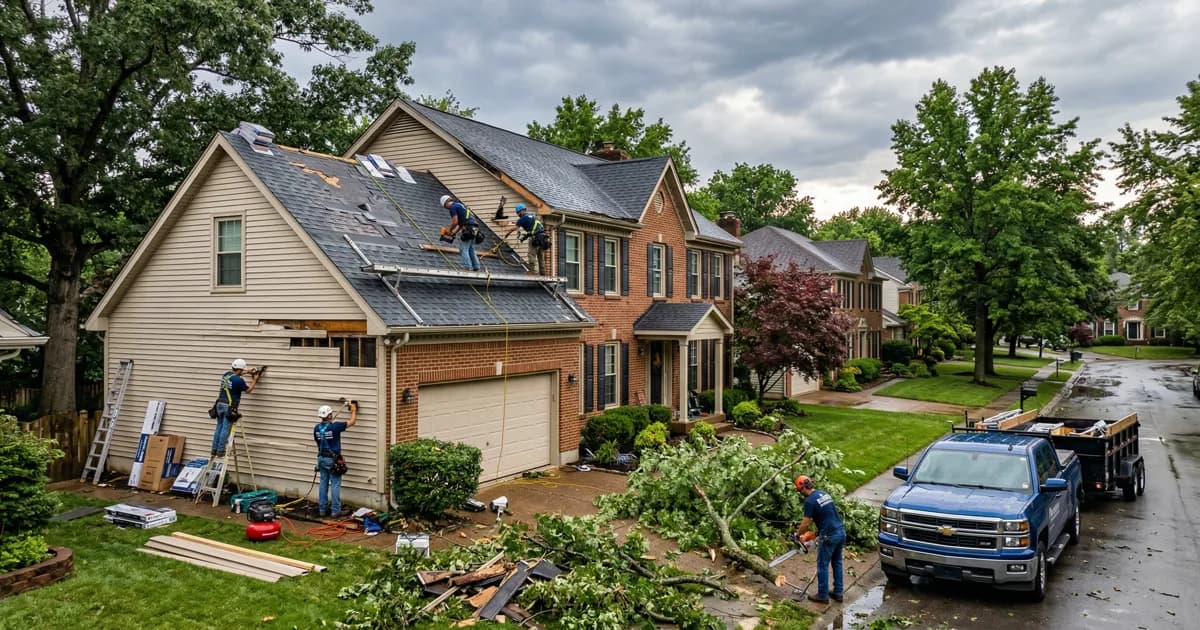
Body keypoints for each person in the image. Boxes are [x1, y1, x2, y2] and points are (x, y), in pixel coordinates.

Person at [794, 475, 846, 604]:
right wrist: (816, 533)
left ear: (802, 488)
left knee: (822, 565)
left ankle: (823, 595)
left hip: (829, 536)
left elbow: (805, 523)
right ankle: (838, 593)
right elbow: (827, 515)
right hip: (840, 531)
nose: (801, 494)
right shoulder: (823, 494)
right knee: (837, 562)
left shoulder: (809, 501)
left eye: (800, 491)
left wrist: (797, 535)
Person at [313, 400, 357, 518]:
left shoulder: (316, 428)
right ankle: (335, 511)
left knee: (323, 483)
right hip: (332, 460)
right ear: (329, 415)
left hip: (321, 458)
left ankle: (322, 510)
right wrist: (353, 410)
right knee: (335, 484)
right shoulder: (335, 427)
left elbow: (318, 442)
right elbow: (352, 422)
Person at [211, 359, 262, 457]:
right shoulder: (239, 380)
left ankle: (214, 449)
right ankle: (221, 450)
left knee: (219, 427)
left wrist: (248, 371)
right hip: (228, 407)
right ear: (240, 369)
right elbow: (248, 390)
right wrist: (255, 380)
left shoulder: (226, 375)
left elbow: (236, 375)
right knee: (225, 428)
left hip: (219, 404)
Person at [502, 203, 549, 275]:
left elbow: (515, 228)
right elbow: (533, 230)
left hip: (535, 239)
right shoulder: (531, 216)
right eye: (517, 213)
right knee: (541, 258)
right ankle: (543, 275)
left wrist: (506, 233)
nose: (518, 214)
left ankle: (532, 272)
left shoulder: (522, 218)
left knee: (531, 255)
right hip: (543, 238)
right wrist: (524, 237)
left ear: (523, 210)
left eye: (519, 212)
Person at [441, 194, 482, 272]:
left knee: (463, 249)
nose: (447, 208)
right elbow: (460, 224)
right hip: (475, 229)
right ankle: (476, 266)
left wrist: (449, 230)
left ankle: (468, 267)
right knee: (471, 248)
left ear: (446, 203)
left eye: (445, 207)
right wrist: (454, 233)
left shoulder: (452, 207)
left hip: (468, 228)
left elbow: (455, 222)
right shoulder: (459, 205)